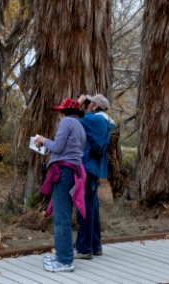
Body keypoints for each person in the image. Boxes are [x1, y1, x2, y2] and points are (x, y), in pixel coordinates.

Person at [35, 98, 86, 272]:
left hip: (63, 172)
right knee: (64, 216)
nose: (58, 115)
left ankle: (64, 261)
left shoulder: (65, 123)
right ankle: (62, 256)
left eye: (60, 111)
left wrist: (43, 140)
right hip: (73, 172)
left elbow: (57, 147)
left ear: (63, 112)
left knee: (61, 218)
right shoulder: (80, 125)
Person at [75, 93, 114, 259]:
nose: (87, 105)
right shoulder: (105, 121)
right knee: (93, 207)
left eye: (90, 103)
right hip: (95, 168)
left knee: (85, 207)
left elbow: (72, 121)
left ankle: (84, 249)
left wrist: (78, 102)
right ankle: (95, 245)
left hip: (87, 166)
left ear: (95, 106)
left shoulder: (95, 119)